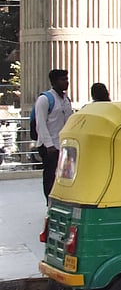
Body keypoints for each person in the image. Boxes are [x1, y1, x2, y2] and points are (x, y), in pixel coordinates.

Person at [34, 69, 74, 202]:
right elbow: (41, 124)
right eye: (63, 80)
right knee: (50, 176)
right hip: (49, 146)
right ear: (54, 82)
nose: (66, 82)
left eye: (67, 79)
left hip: (63, 144)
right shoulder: (44, 99)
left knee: (64, 176)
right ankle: (49, 202)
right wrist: (49, 145)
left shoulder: (66, 100)